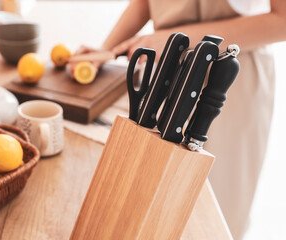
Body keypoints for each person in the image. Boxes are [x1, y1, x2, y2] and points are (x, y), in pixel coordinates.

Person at [70, 0, 286, 239]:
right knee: (145, 206)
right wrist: (104, 51)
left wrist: (181, 41)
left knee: (216, 216)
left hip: (230, 84)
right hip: (168, 70)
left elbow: (283, 21)